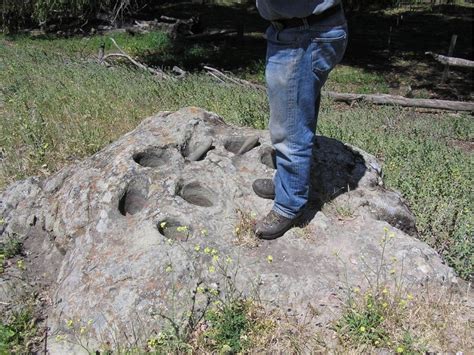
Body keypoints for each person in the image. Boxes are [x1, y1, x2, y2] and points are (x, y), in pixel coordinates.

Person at [253, 0, 348, 239]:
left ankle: (289, 205)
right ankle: (289, 183)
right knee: (295, 113)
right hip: (300, 29)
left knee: (290, 125)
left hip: (305, 32)